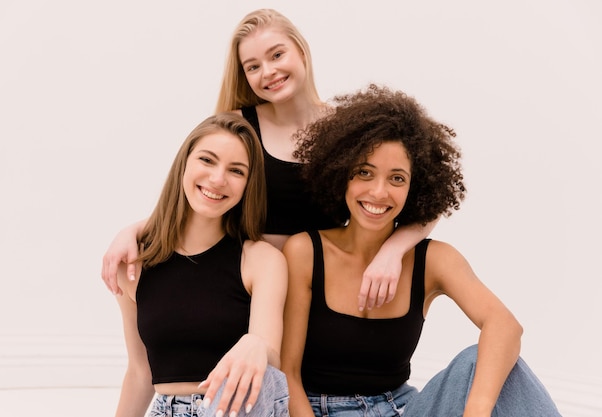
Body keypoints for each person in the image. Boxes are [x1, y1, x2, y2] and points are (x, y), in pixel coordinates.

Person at [101, 9, 437, 311]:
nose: (269, 71)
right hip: (245, 289)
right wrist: (134, 229)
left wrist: (392, 252)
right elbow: (204, 196)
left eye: (277, 55)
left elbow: (429, 199)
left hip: (322, 289)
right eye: (253, 66)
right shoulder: (238, 125)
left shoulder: (349, 129)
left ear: (301, 50)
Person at [281, 85, 562, 417]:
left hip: (405, 409)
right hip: (324, 409)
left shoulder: (434, 260)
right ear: (342, 172)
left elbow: (505, 325)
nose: (379, 192)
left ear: (416, 188)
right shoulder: (305, 251)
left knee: (489, 360)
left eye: (397, 179)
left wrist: (477, 410)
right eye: (364, 172)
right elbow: (288, 374)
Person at [113, 113, 289, 417]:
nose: (218, 179)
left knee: (254, 374)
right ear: (185, 164)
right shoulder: (133, 264)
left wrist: (256, 343)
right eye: (207, 160)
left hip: (237, 408)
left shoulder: (261, 260)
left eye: (236, 171)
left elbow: (270, 356)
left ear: (248, 185)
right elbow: (141, 374)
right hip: (165, 409)